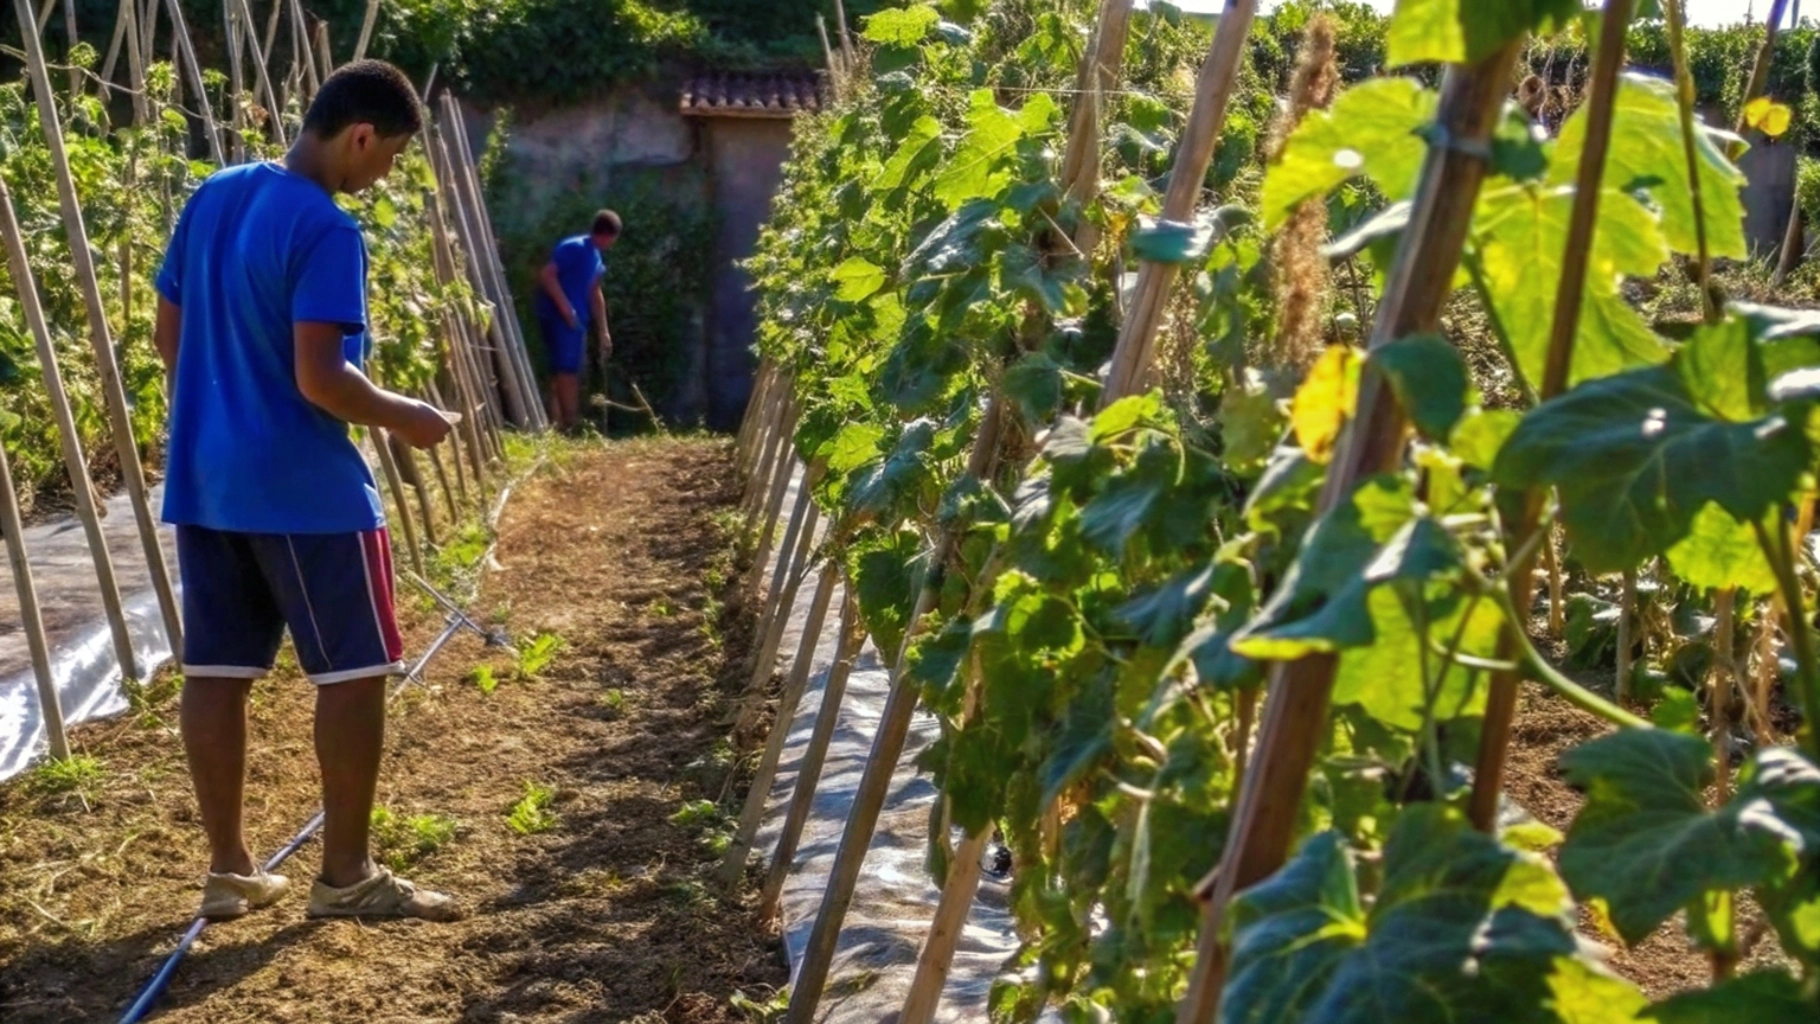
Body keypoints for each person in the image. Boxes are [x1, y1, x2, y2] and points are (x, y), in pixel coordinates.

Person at [152, 60, 459, 923]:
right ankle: (347, 875)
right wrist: (409, 417)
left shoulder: (213, 195)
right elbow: (323, 379)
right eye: (389, 157)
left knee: (216, 671)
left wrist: (229, 408)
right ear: (361, 135)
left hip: (208, 480)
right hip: (307, 493)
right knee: (356, 672)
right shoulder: (326, 229)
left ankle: (230, 871)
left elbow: (166, 336)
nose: (384, 176)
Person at [535, 211, 619, 432]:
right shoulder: (574, 247)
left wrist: (603, 330)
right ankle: (571, 425)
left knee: (567, 370)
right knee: (566, 372)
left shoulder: (595, 255)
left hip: (577, 322)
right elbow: (547, 275)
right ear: (607, 235)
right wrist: (567, 310)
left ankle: (558, 424)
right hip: (560, 319)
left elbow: (594, 291)